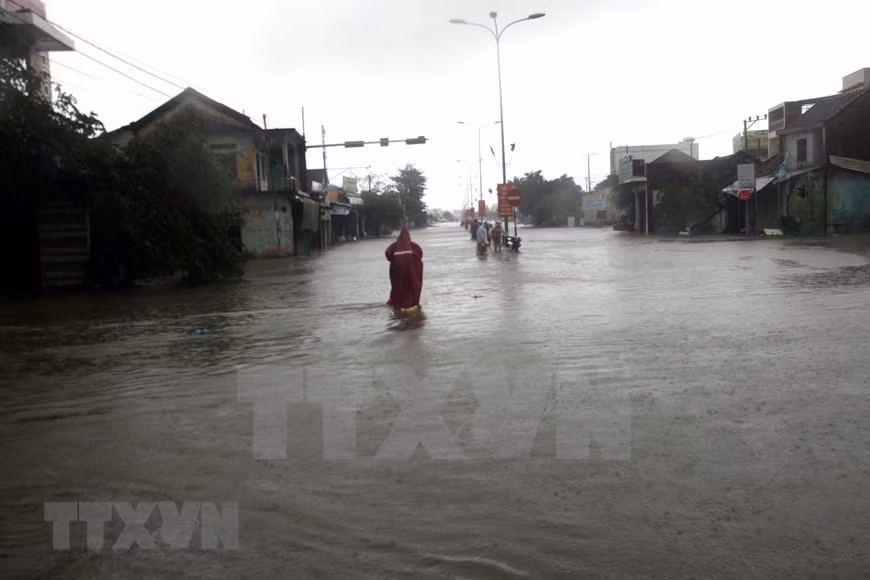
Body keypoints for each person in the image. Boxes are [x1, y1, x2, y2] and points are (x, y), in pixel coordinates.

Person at [385, 226, 424, 311]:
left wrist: (394, 259)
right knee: (412, 284)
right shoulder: (413, 245)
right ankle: (411, 303)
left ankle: (398, 304)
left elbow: (387, 254)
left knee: (399, 285)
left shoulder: (394, 245)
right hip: (411, 270)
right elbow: (420, 254)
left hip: (398, 269)